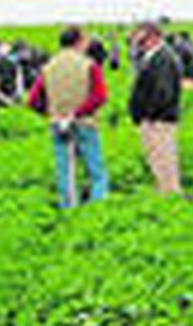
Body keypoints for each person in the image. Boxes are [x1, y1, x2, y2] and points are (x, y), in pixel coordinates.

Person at [28, 26, 110, 208]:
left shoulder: (48, 67)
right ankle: (98, 209)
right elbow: (100, 96)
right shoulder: (89, 65)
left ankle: (69, 209)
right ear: (79, 41)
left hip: (57, 124)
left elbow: (33, 100)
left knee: (65, 171)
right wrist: (77, 113)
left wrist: (52, 113)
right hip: (85, 123)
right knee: (96, 172)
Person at [127, 20, 184, 195]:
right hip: (155, 119)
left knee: (164, 160)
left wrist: (148, 115)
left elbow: (163, 93)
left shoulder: (163, 58)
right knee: (157, 160)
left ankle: (170, 196)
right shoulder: (152, 56)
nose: (136, 40)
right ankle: (165, 193)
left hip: (159, 120)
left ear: (152, 36)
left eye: (140, 36)